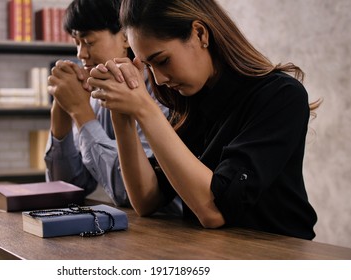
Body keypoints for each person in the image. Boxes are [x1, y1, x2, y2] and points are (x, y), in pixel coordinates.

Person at [88, 0, 321, 240]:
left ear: (200, 34)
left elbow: (215, 212)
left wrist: (146, 109)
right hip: (212, 252)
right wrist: (121, 111)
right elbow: (146, 200)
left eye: (163, 60)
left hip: (279, 257)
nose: (157, 79)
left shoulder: (281, 95)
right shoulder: (191, 101)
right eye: (148, 65)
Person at [44, 0, 177, 212]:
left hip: (173, 231)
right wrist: (61, 111)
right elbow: (67, 190)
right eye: (76, 42)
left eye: (88, 41)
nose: (80, 54)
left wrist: (81, 113)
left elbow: (131, 193)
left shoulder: (159, 89)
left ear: (125, 36)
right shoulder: (97, 94)